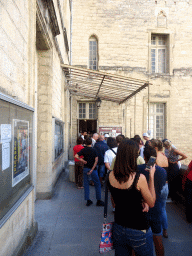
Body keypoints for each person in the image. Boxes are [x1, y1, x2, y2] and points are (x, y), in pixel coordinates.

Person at [107, 139, 156, 256]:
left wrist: (140, 201)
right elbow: (152, 202)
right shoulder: (139, 178)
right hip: (138, 228)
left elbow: (115, 203)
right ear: (133, 156)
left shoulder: (110, 175)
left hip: (119, 227)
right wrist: (152, 177)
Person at [138, 146, 167, 256]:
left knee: (139, 239)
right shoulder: (162, 171)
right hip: (156, 206)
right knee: (157, 236)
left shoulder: (138, 168)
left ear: (144, 156)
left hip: (141, 206)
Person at [74, 137, 104, 207]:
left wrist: (82, 160)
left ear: (85, 143)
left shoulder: (84, 149)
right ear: (91, 143)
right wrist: (92, 169)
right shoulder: (94, 150)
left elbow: (76, 155)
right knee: (97, 184)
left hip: (85, 168)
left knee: (86, 185)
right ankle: (98, 200)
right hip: (92, 170)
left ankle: (88, 200)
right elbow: (96, 161)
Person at [151, 139, 169, 238]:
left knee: (155, 208)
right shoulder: (164, 156)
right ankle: (165, 230)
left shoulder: (153, 157)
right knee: (163, 209)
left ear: (155, 148)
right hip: (165, 185)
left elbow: (148, 170)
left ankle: (156, 231)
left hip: (157, 186)